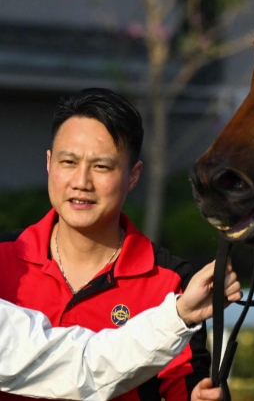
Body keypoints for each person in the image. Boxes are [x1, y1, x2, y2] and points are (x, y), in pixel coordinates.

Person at [0, 89, 211, 401]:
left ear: (133, 176)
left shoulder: (171, 282)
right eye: (68, 161)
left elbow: (186, 387)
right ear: (48, 163)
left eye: (101, 167)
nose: (81, 182)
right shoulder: (4, 260)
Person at [0, 260, 240, 401]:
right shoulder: (6, 255)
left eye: (101, 169)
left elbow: (81, 365)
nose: (82, 189)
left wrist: (180, 315)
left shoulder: (170, 274)